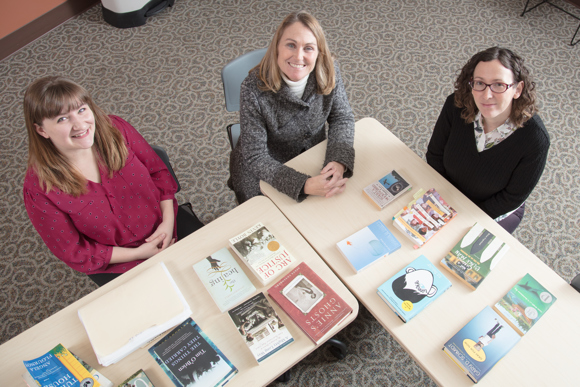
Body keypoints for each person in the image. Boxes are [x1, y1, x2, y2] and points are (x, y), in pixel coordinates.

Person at [23, 76, 180, 286]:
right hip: (119, 265)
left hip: (169, 226)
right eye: (62, 119)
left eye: (81, 110)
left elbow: (158, 172)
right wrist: (139, 253)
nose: (80, 124)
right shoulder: (39, 189)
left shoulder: (116, 129)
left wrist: (168, 222)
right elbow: (73, 250)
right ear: (41, 130)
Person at [228, 10, 355, 204]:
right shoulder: (252, 88)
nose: (298, 56)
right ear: (277, 47)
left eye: (308, 48)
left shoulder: (329, 69)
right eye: (291, 45)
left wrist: (338, 159)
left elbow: (342, 117)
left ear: (319, 52)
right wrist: (303, 185)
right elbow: (255, 157)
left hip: (312, 155)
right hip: (263, 169)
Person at [426, 47, 549, 233]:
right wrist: (444, 200)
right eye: (479, 83)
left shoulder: (535, 139)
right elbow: (435, 155)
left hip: (492, 211)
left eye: (499, 85)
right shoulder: (456, 104)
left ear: (517, 89)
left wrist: (461, 216)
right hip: (447, 192)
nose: (487, 95)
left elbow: (511, 198)